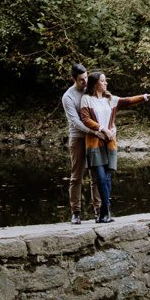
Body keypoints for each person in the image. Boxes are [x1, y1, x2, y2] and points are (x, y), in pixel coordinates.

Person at [79, 71, 150, 223]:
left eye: (105, 81)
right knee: (100, 178)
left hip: (110, 141)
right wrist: (102, 129)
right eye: (103, 81)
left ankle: (104, 213)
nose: (106, 83)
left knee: (107, 177)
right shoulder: (86, 99)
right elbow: (85, 119)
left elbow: (128, 101)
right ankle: (105, 211)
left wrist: (147, 96)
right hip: (94, 142)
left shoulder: (110, 99)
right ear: (95, 84)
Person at [62, 64, 94, 223]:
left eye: (86, 78)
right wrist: (93, 131)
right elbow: (74, 121)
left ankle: (100, 210)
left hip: (94, 137)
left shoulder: (90, 90)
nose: (85, 82)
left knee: (96, 173)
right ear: (74, 78)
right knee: (76, 176)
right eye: (81, 80)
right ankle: (75, 213)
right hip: (78, 138)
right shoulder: (68, 97)